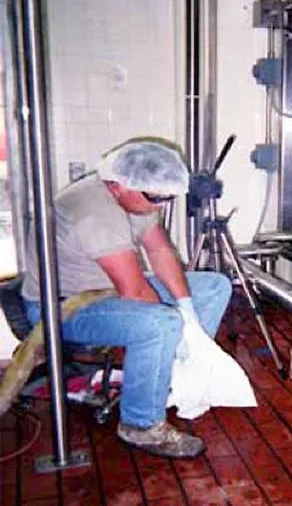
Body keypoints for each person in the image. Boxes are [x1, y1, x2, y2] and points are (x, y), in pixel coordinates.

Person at [21, 137, 232, 459]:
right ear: (118, 184)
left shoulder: (138, 196)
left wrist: (188, 310)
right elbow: (134, 292)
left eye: (166, 197)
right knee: (160, 324)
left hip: (106, 288)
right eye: (156, 197)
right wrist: (181, 329)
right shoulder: (93, 211)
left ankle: (174, 378)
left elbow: (160, 250)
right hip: (65, 307)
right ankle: (141, 425)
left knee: (214, 286)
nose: (160, 205)